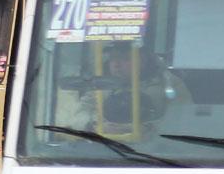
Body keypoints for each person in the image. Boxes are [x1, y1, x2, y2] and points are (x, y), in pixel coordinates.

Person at [52, 47, 188, 136]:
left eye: (124, 58)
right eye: (113, 59)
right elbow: (76, 114)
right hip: (101, 147)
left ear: (143, 60)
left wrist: (146, 129)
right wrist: (94, 125)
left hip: (153, 150)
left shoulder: (169, 83)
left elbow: (183, 120)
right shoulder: (100, 83)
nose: (116, 65)